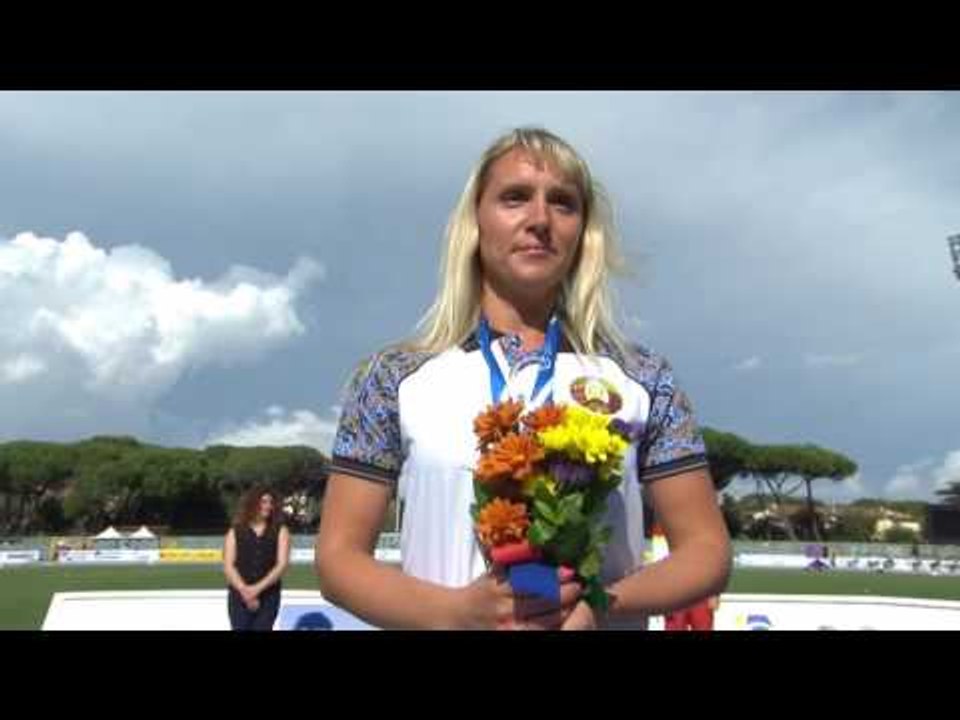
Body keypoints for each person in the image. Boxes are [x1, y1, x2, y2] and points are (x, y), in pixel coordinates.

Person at [316, 127, 731, 630]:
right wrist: (456, 613)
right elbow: (338, 561)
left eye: (563, 203)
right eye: (515, 198)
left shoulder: (645, 379)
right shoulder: (391, 378)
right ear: (475, 221)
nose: (540, 220)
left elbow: (708, 552)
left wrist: (600, 606)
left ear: (583, 232)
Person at [223, 486, 291, 631]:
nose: (268, 506)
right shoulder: (235, 531)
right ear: (252, 504)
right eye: (263, 502)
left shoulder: (281, 531)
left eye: (270, 502)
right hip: (238, 596)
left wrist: (256, 590)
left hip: (269, 596)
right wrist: (244, 591)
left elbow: (282, 565)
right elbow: (228, 566)